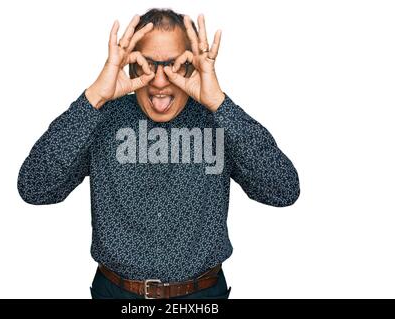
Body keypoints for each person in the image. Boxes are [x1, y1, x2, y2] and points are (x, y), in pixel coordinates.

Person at [17, 8, 300, 299]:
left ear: (191, 66)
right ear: (129, 66)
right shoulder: (100, 118)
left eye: (175, 66)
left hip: (201, 297)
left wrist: (219, 103)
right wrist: (94, 98)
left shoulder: (218, 120)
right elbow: (35, 188)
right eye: (148, 65)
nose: (161, 82)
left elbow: (283, 190)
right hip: (117, 294)